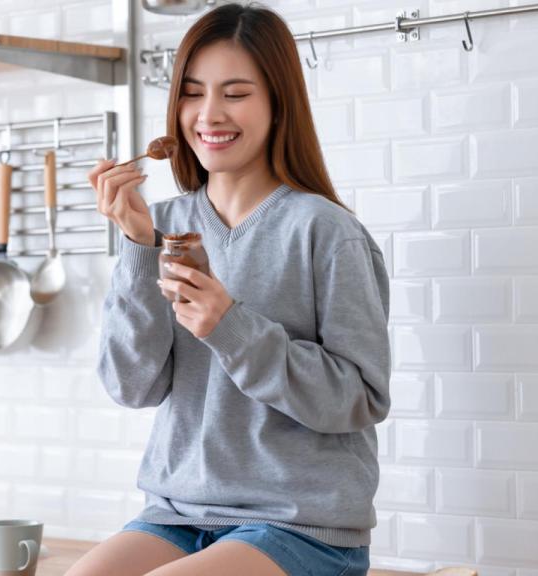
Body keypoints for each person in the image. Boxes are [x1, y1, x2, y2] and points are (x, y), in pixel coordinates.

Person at [66, 4, 391, 575]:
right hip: (177, 512)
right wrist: (139, 248)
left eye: (236, 93)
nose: (209, 114)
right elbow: (132, 385)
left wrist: (230, 327)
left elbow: (360, 398)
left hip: (299, 524)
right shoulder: (157, 222)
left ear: (277, 103)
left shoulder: (326, 231)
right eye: (193, 93)